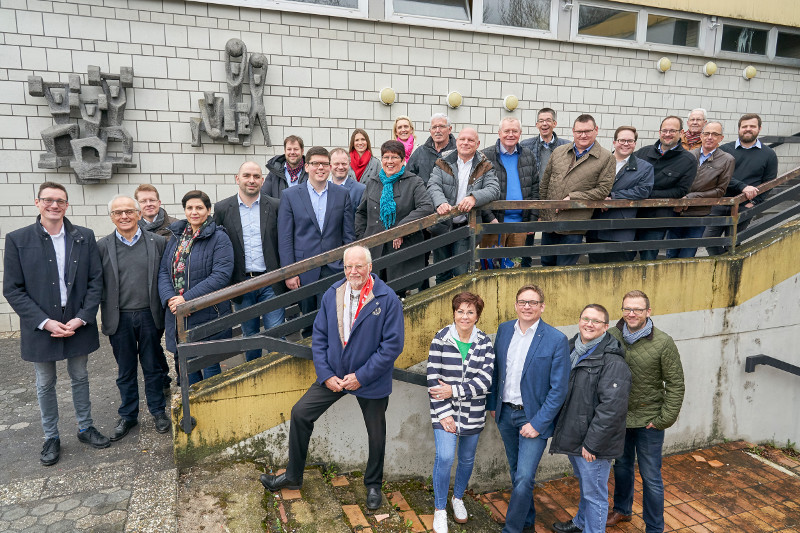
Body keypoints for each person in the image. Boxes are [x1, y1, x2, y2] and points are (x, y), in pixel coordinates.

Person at [260, 245, 404, 511]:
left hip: (369, 380)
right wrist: (325, 375)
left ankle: (373, 484)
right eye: (348, 266)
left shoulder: (387, 298)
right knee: (301, 413)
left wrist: (361, 376)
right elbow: (321, 338)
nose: (353, 271)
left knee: (376, 433)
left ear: (369, 267)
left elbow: (392, 347)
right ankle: (293, 476)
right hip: (334, 377)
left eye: (359, 266)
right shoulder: (333, 294)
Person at [3, 182, 110, 466]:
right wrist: (44, 322)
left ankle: (85, 428)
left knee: (80, 376)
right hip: (41, 326)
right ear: (37, 203)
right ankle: (51, 436)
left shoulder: (83, 237)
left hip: (77, 322)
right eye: (48, 200)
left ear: (67, 205)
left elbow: (95, 282)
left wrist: (83, 317)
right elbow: (13, 289)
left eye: (60, 201)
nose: (54, 205)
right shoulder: (17, 239)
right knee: (45, 382)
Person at [487, 285, 570, 533]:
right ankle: (526, 523)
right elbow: (496, 370)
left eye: (533, 302)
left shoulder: (556, 339)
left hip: (533, 417)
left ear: (542, 307)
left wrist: (538, 423)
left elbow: (559, 389)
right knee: (517, 473)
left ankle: (511, 529)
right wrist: (494, 405)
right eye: (523, 302)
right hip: (505, 414)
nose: (527, 306)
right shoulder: (504, 330)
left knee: (524, 477)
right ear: (515, 305)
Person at [606, 290, 685, 532]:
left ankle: (654, 527)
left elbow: (675, 384)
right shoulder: (611, 336)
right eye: (627, 308)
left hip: (649, 421)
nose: (631, 313)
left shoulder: (663, 342)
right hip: (619, 419)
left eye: (637, 309)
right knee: (621, 467)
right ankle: (622, 509)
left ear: (648, 312)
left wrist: (664, 419)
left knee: (651, 477)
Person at [549, 304, 631, 533]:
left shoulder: (612, 361)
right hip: (573, 434)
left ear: (606, 327)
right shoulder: (569, 349)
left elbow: (612, 409)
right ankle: (581, 523)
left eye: (596, 321)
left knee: (595, 495)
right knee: (587, 486)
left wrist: (592, 443)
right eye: (586, 318)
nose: (589, 324)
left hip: (592, 443)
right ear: (579, 321)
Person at [98, 195, 171, 441]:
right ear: (112, 217)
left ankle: (158, 412)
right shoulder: (102, 246)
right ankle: (128, 415)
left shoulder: (158, 242)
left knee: (152, 367)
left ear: (139, 214)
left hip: (149, 315)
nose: (124, 216)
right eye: (118, 213)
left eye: (129, 211)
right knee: (125, 370)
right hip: (119, 319)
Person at [427, 292, 495, 533]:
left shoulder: (484, 342)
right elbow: (433, 378)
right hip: (443, 411)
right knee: (445, 457)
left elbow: (484, 382)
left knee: (466, 459)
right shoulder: (441, 338)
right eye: (460, 311)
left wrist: (453, 390)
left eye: (470, 312)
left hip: (473, 413)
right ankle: (439, 510)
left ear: (477, 316)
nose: (464, 316)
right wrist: (444, 412)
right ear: (454, 313)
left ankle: (457, 498)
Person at [158, 190, 234, 384]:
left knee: (209, 366)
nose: (194, 212)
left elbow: (221, 275)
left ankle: (214, 408)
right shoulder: (176, 236)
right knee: (187, 366)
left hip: (206, 311)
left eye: (199, 207)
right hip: (178, 313)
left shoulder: (219, 237)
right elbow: (164, 271)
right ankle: (191, 408)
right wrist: (171, 300)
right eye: (189, 208)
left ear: (208, 210)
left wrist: (187, 300)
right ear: (184, 211)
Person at [279, 147, 355, 336]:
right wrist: (289, 271)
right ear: (306, 167)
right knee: (309, 324)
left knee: (335, 322)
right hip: (304, 271)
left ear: (330, 167)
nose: (319, 168)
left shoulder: (342, 194)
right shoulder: (290, 195)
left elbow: (348, 235)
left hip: (334, 269)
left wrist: (350, 267)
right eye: (315, 164)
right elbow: (285, 236)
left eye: (324, 164)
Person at [214, 162, 284, 361]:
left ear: (262, 180)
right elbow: (217, 246)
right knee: (250, 335)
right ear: (238, 179)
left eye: (256, 176)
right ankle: (254, 376)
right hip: (241, 282)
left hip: (270, 281)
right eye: (246, 176)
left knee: (276, 332)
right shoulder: (222, 209)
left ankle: (278, 378)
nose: (251, 180)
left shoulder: (276, 206)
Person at [355, 140, 434, 291]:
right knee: (374, 293)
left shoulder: (414, 182)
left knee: (399, 293)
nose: (389, 161)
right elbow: (361, 212)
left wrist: (401, 229)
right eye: (386, 157)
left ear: (403, 160)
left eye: (394, 157)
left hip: (401, 251)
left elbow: (426, 207)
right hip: (374, 250)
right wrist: (362, 237)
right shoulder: (373, 182)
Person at [539, 114, 615, 266]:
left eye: (587, 131)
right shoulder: (559, 152)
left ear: (596, 130)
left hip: (573, 224)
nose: (583, 135)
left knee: (564, 268)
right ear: (573, 131)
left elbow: (603, 190)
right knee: (545, 264)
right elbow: (545, 184)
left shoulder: (606, 158)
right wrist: (542, 214)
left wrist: (573, 198)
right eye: (579, 131)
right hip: (549, 223)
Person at [428, 127, 500, 282]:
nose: (465, 143)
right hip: (442, 224)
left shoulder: (485, 165)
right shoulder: (443, 162)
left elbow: (494, 189)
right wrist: (441, 202)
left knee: (460, 270)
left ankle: (461, 305)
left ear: (477, 143)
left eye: (470, 140)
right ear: (457, 141)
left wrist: (474, 198)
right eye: (462, 139)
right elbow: (433, 185)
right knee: (441, 272)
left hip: (466, 226)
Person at [704, 113, 779, 255]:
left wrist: (755, 201)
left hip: (745, 205)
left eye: (752, 126)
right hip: (720, 202)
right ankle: (721, 265)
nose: (748, 129)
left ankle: (727, 270)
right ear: (739, 129)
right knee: (708, 239)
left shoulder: (769, 154)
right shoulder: (725, 150)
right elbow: (717, 175)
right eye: (744, 126)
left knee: (733, 243)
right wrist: (742, 186)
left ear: (759, 128)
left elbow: (769, 182)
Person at [587, 126, 654, 263]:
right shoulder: (599, 162)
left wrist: (613, 197)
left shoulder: (645, 167)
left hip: (621, 229)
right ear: (614, 142)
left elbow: (643, 190)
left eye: (630, 141)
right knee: (594, 271)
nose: (625, 144)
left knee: (620, 272)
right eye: (622, 140)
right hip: (596, 225)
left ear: (635, 144)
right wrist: (599, 198)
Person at [667, 121, 734, 258]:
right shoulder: (689, 155)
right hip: (677, 212)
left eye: (715, 134)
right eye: (707, 133)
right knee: (670, 252)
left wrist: (690, 198)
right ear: (701, 136)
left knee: (687, 254)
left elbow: (720, 190)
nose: (710, 137)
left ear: (721, 138)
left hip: (699, 214)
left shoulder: (727, 160)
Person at [634, 116, 697, 260]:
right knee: (626, 254)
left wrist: (647, 194)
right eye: (665, 130)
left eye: (672, 131)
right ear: (659, 132)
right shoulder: (643, 152)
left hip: (657, 218)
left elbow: (681, 191)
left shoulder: (688, 160)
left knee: (648, 257)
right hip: (632, 212)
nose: (667, 134)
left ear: (681, 133)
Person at [133, 183, 175, 388]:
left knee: (177, 340)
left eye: (152, 200)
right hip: (147, 296)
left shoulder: (176, 226)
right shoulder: (132, 230)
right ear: (138, 205)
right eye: (143, 201)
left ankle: (184, 382)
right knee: (151, 342)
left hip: (173, 293)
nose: (148, 204)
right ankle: (162, 378)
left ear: (159, 202)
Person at [481, 117, 538, 258]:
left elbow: (535, 188)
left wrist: (532, 219)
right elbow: (478, 190)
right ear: (499, 133)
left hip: (520, 226)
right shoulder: (485, 156)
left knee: (513, 269)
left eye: (515, 131)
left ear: (520, 133)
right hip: (493, 224)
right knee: (490, 269)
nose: (510, 134)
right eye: (507, 131)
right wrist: (489, 218)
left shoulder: (528, 155)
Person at [520, 108, 569, 267]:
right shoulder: (525, 145)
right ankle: (524, 271)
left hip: (555, 202)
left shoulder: (566, 146)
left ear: (554, 123)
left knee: (552, 242)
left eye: (548, 120)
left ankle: (550, 271)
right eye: (541, 121)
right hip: (531, 199)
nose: (545, 124)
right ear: (536, 124)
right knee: (526, 241)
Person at [407, 113, 457, 185]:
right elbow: (408, 177)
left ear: (449, 129)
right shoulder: (420, 152)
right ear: (430, 131)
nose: (437, 130)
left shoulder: (458, 153)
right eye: (434, 127)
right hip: (422, 195)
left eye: (441, 126)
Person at [329, 147, 366, 217]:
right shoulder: (322, 188)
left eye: (344, 164)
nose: (340, 167)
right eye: (336, 164)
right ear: (330, 165)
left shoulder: (361, 190)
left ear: (349, 164)